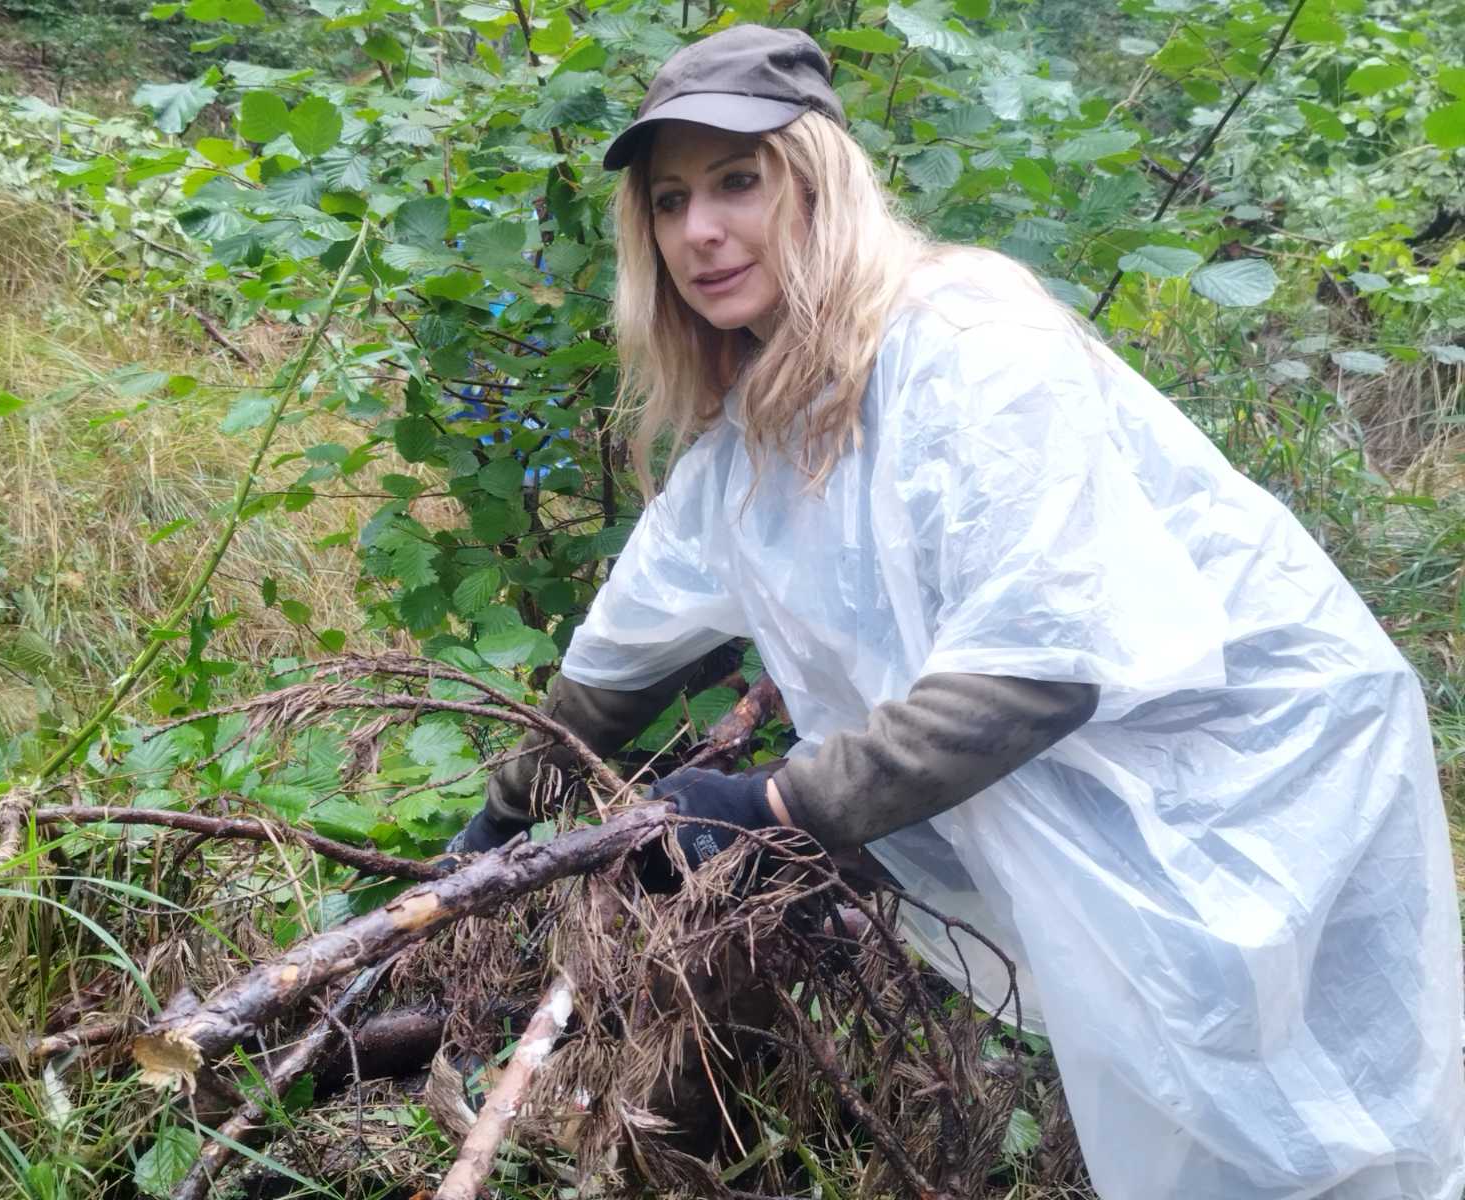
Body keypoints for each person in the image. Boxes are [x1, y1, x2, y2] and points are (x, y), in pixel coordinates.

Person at [450, 23, 1465, 1200]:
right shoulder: (752, 442)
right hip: (1117, 804)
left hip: (1259, 771)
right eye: (669, 201)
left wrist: (771, 804)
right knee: (1185, 1121)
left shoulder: (970, 344)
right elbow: (621, 657)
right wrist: (498, 826)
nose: (699, 231)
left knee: (1322, 1121)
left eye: (738, 180)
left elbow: (1039, 665)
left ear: (820, 181)